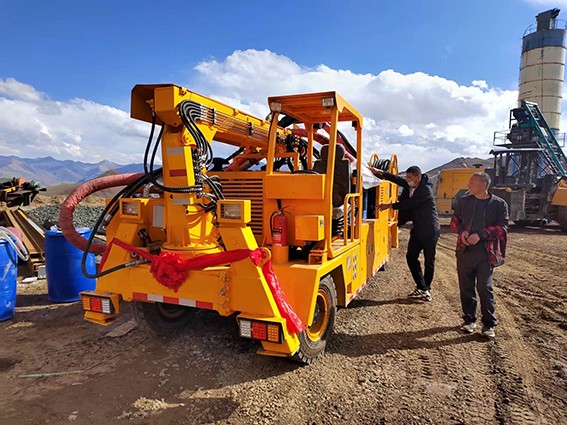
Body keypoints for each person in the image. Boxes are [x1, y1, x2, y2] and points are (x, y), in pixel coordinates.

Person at [451, 172, 508, 338]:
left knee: (484, 287)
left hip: (486, 253)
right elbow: (455, 221)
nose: (469, 186)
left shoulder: (498, 204)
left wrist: (481, 235)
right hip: (465, 252)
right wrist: (462, 232)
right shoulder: (464, 201)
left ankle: (489, 324)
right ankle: (469, 320)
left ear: (484, 184)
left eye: (472, 183)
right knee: (466, 287)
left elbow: (502, 228)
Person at [372, 165, 440, 301]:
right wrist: (381, 173)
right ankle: (423, 288)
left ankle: (426, 288)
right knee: (411, 257)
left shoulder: (425, 190)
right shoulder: (411, 185)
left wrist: (389, 205)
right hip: (417, 229)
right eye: (407, 177)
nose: (407, 180)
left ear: (418, 177)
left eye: (410, 178)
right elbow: (397, 179)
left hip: (430, 230)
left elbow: (409, 204)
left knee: (429, 261)